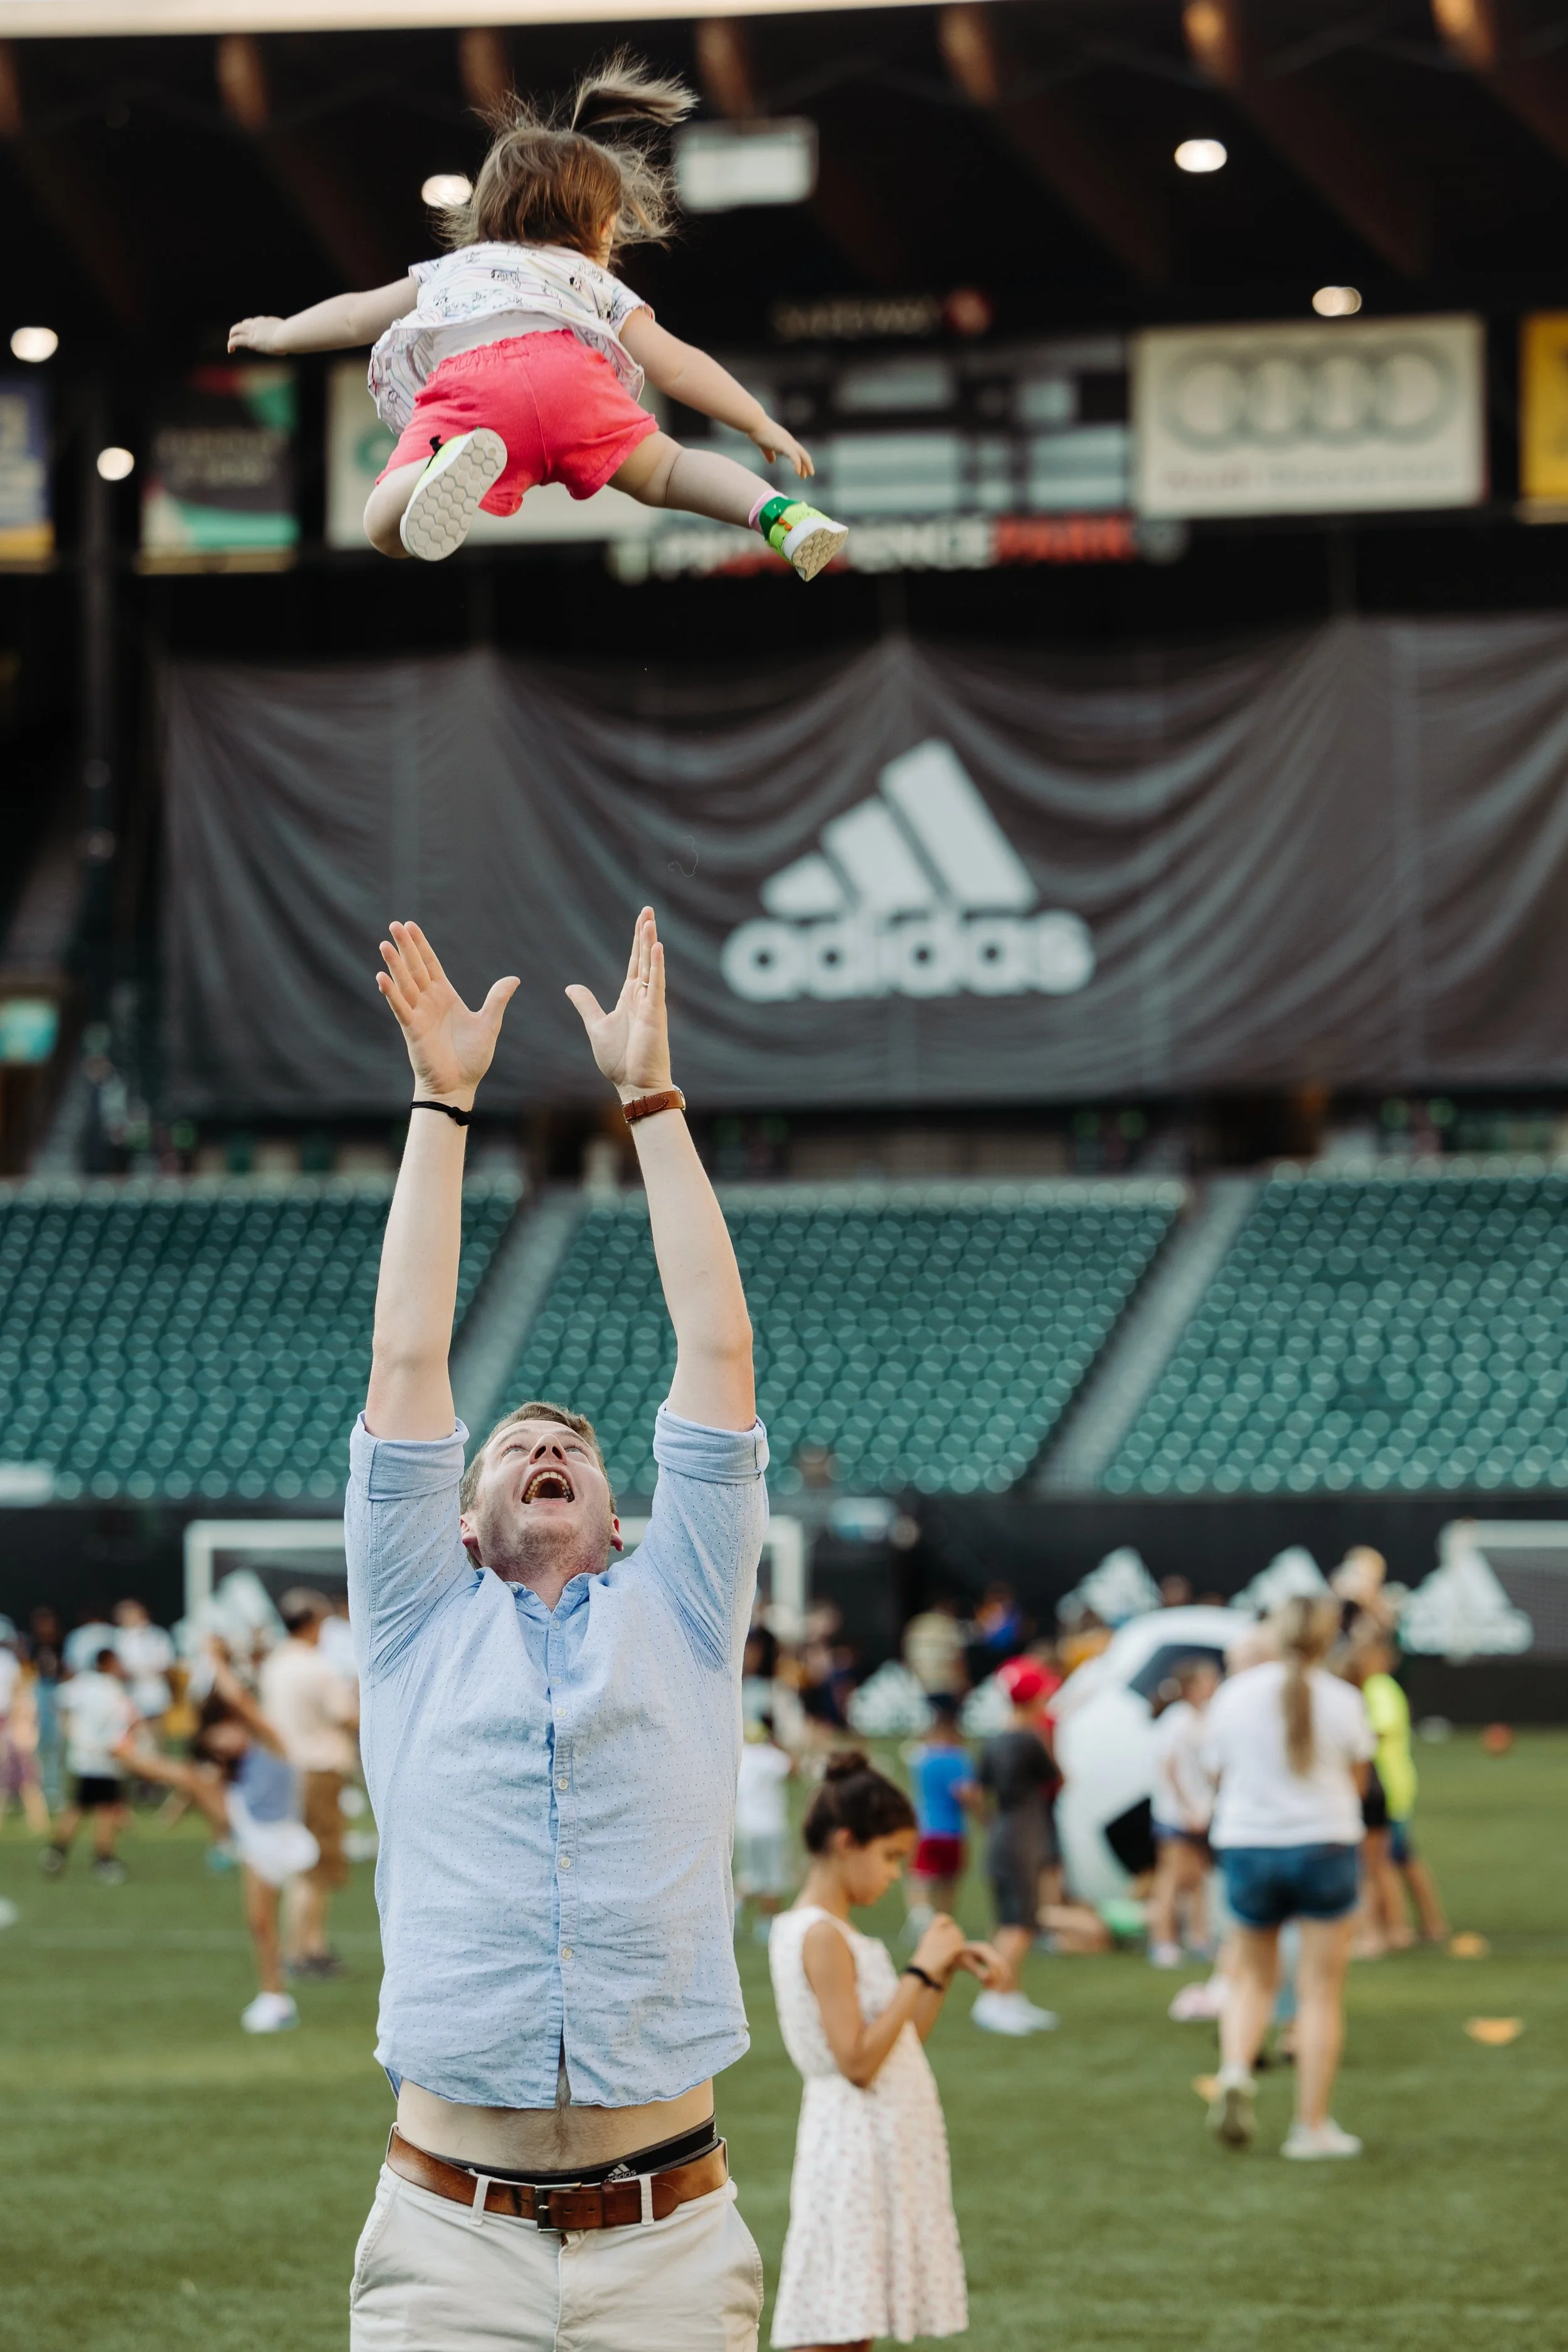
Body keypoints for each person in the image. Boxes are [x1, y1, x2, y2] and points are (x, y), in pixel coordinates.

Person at [344, 909, 768, 2352]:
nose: (550, 1448)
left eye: (573, 1450)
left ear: (617, 1507)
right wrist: (441, 1100)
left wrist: (650, 1099)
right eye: (517, 1444)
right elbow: (408, 1352)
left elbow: (715, 1348)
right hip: (448, 2242)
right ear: (455, 1520)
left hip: (672, 2242)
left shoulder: (687, 1603)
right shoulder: (412, 1616)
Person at [228, 61, 847, 580]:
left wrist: (282, 333)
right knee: (668, 471)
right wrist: (757, 420)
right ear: (602, 228)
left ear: (490, 210)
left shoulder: (456, 267)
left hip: (474, 399)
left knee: (384, 527)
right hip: (573, 383)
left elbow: (355, 315)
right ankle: (780, 517)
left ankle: (435, 468)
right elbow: (678, 364)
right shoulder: (592, 280)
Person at [767, 1751, 1004, 2351]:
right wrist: (916, 1972)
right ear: (848, 1843)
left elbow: (900, 2041)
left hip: (876, 2137)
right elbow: (858, 2061)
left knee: (855, 2317)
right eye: (891, 1857)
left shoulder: (838, 1931)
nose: (898, 1873)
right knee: (834, 2323)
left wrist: (937, 1971)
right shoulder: (820, 1934)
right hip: (852, 2139)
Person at [1201, 1595, 1375, 2160]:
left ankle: (1233, 2070)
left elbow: (1216, 1772)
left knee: (1251, 1978)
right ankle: (1311, 2127)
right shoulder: (1345, 1700)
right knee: (1320, 1992)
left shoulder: (1234, 1695)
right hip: (1324, 1845)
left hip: (1249, 1846)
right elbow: (1358, 1782)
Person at [117, 1638, 321, 2033]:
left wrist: (215, 1660)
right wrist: (129, 1758)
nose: (225, 1739)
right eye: (217, 1735)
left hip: (282, 1839)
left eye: (228, 1730)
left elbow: (240, 1700)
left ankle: (279, 1994)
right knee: (259, 1924)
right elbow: (189, 1773)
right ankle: (275, 1996)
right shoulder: (233, 1769)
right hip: (255, 1839)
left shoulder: (272, 1743)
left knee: (272, 1918)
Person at [258, 1586, 361, 1979]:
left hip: (286, 1769)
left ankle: (303, 1946)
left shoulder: (275, 1663)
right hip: (319, 1770)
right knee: (316, 1865)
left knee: (300, 1863)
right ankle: (306, 1949)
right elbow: (348, 1716)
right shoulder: (316, 1668)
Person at [972, 1658, 1059, 2035]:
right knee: (1020, 1926)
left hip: (1003, 1835)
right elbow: (1059, 1779)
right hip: (1023, 1838)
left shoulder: (994, 1740)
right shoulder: (1030, 1740)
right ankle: (994, 1998)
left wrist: (990, 1822)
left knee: (1009, 1921)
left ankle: (1011, 1996)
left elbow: (975, 1792)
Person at [1352, 1632, 1448, 1947]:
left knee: (1385, 1861)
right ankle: (1429, 1925)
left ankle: (1397, 1928)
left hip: (1387, 1784)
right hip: (1392, 1782)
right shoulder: (1381, 1688)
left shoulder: (1378, 1688)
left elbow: (1377, 1731)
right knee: (1401, 1858)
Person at [1148, 1658, 1221, 1968]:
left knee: (1197, 1878)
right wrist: (1188, 1807)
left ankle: (1199, 1937)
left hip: (1201, 1812)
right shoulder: (1176, 1720)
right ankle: (1162, 1940)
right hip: (1176, 1815)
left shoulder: (1204, 1718)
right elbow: (1170, 1768)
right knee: (1172, 1877)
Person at [40, 1647, 137, 1880]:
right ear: (109, 1663)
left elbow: (59, 1701)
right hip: (104, 1757)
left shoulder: (82, 1684)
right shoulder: (111, 1689)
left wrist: (71, 1732)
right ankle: (103, 1859)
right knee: (104, 1809)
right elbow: (128, 1720)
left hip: (83, 1757)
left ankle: (57, 1853)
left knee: (79, 1806)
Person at [904, 1693, 977, 1937]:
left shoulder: (922, 1759)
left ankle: (920, 1917)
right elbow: (964, 1794)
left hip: (926, 1826)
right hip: (952, 1829)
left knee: (921, 1877)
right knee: (948, 1881)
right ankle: (942, 1923)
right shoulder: (958, 1759)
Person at [734, 1714, 795, 1941]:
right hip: (771, 1826)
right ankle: (765, 1926)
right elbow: (794, 1769)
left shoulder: (741, 1757)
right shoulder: (771, 1757)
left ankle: (734, 1913)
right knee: (772, 1878)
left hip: (745, 1826)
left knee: (750, 1876)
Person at [0, 1629, 51, 1835]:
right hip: (16, 1737)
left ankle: (38, 1820)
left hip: (19, 1741)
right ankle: (38, 1820)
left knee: (25, 1781)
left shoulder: (25, 1698)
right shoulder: (21, 1688)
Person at [112, 1597, 175, 1722]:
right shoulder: (118, 1638)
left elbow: (167, 1664)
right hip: (128, 1692)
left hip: (154, 1691)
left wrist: (144, 1670)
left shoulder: (157, 1636)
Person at [901, 1597, 967, 1700]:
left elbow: (906, 1657)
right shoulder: (947, 1624)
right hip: (945, 1689)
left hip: (917, 1688)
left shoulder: (915, 1624)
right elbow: (958, 1661)